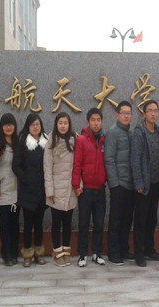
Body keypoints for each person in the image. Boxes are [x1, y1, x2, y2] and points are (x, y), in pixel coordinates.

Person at [129, 100, 159, 267]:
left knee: (152, 218)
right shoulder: (139, 133)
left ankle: (150, 249)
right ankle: (139, 253)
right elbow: (135, 160)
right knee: (141, 220)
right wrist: (138, 183)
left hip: (155, 183)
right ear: (144, 114)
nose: (153, 113)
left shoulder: (158, 132)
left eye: (155, 110)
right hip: (143, 185)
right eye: (150, 110)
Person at [72, 108, 107, 267]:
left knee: (99, 223)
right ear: (88, 122)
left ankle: (97, 253)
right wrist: (76, 184)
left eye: (98, 120)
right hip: (85, 189)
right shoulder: (81, 140)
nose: (96, 123)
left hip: (100, 188)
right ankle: (82, 254)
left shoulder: (105, 139)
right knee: (84, 223)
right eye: (93, 120)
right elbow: (77, 163)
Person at [13, 113, 48, 267]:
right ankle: (27, 253)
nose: (35, 127)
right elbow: (15, 166)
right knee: (28, 224)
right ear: (28, 126)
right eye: (33, 124)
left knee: (39, 223)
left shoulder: (46, 142)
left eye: (37, 124)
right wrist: (26, 179)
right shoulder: (23, 142)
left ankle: (39, 253)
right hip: (27, 190)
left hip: (42, 190)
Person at [44, 112, 78, 267]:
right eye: (60, 123)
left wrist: (78, 185)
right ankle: (57, 252)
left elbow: (77, 165)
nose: (63, 126)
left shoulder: (74, 140)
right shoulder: (50, 141)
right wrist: (49, 190)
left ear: (69, 125)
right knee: (56, 222)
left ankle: (66, 251)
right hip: (56, 188)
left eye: (65, 123)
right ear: (56, 124)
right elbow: (47, 168)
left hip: (70, 188)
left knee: (68, 222)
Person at [104, 101, 135, 266]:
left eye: (129, 113)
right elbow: (108, 159)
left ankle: (124, 249)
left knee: (127, 219)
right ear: (117, 115)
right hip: (119, 185)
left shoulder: (131, 133)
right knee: (116, 220)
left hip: (130, 184)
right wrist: (114, 184)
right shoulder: (113, 132)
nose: (126, 116)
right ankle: (113, 252)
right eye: (123, 113)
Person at [0, 113, 19, 266]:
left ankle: (14, 252)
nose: (9, 127)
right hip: (3, 189)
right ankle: (6, 253)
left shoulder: (18, 143)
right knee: (5, 223)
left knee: (15, 223)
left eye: (11, 124)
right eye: (6, 124)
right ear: (1, 126)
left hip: (17, 190)